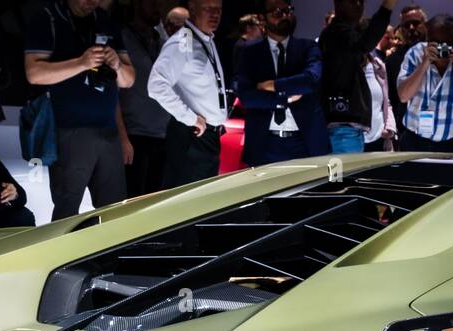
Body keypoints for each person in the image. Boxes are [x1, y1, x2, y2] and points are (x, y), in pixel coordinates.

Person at [25, 0, 136, 221]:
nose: (92, 2)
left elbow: (128, 80)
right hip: (68, 130)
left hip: (108, 131)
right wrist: (81, 63)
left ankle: (109, 255)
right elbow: (34, 74)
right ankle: (68, 255)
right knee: (67, 210)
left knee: (115, 212)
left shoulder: (106, 22)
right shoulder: (48, 18)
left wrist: (117, 66)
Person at [234, 0, 326, 166]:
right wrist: (284, 99)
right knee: (266, 192)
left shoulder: (308, 47)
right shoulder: (250, 52)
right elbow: (247, 97)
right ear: (263, 18)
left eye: (288, 11)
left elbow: (310, 80)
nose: (285, 16)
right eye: (277, 12)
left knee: (306, 192)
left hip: (304, 141)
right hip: (264, 142)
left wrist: (272, 86)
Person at [149, 0, 228, 187]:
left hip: (206, 138)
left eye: (219, 9)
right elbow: (156, 85)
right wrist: (191, 118)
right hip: (192, 136)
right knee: (187, 202)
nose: (215, 14)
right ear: (193, 9)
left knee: (201, 203)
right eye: (208, 9)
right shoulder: (183, 41)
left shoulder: (205, 39)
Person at [395, 13, 453, 153]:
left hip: (452, 143)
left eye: (446, 43)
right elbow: (403, 96)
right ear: (427, 38)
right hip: (414, 141)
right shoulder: (415, 54)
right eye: (435, 43)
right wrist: (423, 65)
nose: (441, 48)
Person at [320, 0, 395, 154]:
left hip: (347, 129)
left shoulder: (340, 35)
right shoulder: (336, 33)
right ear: (338, 3)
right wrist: (387, 6)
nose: (359, 5)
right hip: (342, 130)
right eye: (353, 0)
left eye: (362, 1)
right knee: (341, 177)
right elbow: (365, 42)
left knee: (343, 177)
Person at [118, 0, 169, 197]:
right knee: (133, 201)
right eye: (151, 3)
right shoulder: (123, 37)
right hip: (134, 135)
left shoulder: (160, 39)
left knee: (156, 203)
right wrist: (122, 138)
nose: (158, 7)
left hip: (162, 134)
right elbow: (113, 93)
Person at [384, 5, 425, 133]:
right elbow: (391, 98)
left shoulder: (442, 56)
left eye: (416, 23)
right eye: (406, 25)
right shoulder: (392, 61)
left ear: (426, 25)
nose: (411, 28)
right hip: (406, 132)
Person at [364, 51, 396, 151]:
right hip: (351, 139)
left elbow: (386, 102)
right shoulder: (346, 67)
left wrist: (389, 129)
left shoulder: (378, 65)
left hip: (379, 139)